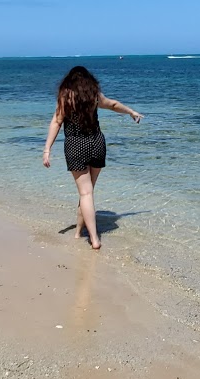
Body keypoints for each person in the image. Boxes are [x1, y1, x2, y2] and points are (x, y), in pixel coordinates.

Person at [42, 65, 142, 250]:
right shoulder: (94, 95)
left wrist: (47, 149)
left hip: (76, 146)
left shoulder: (66, 96)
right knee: (87, 193)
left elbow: (57, 121)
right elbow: (112, 104)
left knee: (85, 193)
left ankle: (94, 239)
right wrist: (131, 111)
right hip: (97, 144)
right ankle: (78, 233)